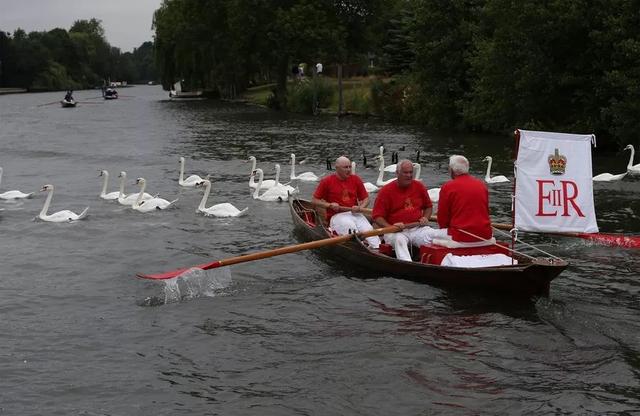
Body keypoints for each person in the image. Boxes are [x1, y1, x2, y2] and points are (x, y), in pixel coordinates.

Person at [372, 159, 446, 261]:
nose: (409, 175)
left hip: (417, 228)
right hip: (395, 232)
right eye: (405, 173)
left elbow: (428, 206)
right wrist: (391, 227)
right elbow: (377, 217)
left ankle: (445, 261)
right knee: (400, 240)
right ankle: (408, 264)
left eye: (411, 172)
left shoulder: (419, 186)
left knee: (437, 236)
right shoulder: (385, 191)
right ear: (397, 173)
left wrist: (425, 217)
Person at [312, 156, 380, 249]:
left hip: (355, 214)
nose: (349, 170)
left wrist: (360, 207)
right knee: (354, 234)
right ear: (337, 168)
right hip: (337, 216)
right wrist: (329, 205)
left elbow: (366, 199)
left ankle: (376, 249)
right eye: (345, 167)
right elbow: (314, 200)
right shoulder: (327, 181)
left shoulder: (356, 179)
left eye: (349, 167)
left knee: (372, 235)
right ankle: (362, 248)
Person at [437, 155, 492, 242]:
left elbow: (442, 218)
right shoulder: (482, 185)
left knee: (426, 236)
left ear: (451, 170)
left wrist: (444, 230)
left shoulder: (448, 187)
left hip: (460, 235)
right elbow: (486, 211)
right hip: (485, 234)